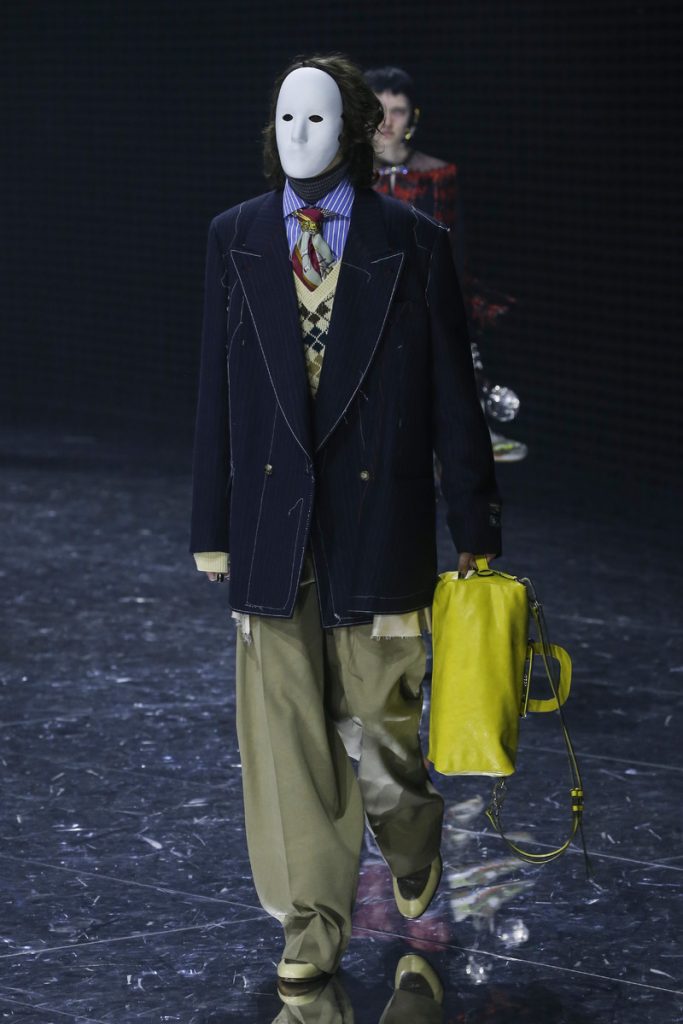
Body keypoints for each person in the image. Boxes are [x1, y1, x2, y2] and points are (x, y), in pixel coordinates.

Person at [190, 53, 502, 1004]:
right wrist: (211, 525)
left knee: (379, 725)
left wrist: (474, 524)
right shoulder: (236, 236)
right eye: (285, 118)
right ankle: (311, 922)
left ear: (355, 130)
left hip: (378, 521)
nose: (298, 135)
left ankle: (412, 837)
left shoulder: (410, 241)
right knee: (288, 737)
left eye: (318, 118)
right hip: (273, 523)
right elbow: (216, 390)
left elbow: (452, 394)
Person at [364, 65, 528, 463]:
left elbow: (453, 248)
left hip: (425, 295)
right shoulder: (346, 177)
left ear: (413, 117)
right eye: (378, 110)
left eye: (398, 111)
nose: (387, 122)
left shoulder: (437, 174)